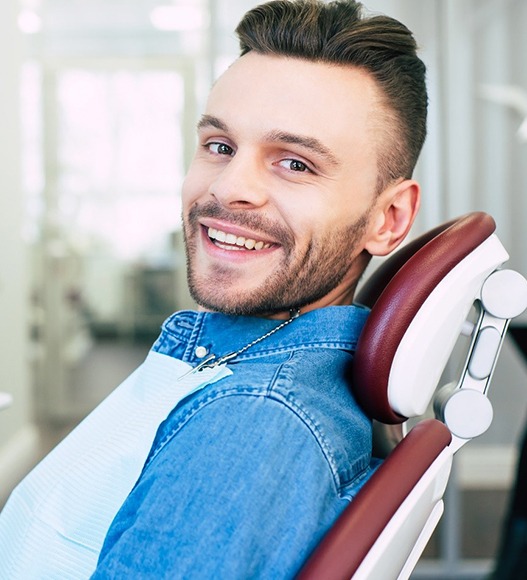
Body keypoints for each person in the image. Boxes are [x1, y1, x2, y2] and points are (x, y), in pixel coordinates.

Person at [2, 0, 428, 577]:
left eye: (295, 164)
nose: (229, 189)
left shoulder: (252, 421)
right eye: (220, 146)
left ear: (389, 219)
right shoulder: (235, 366)